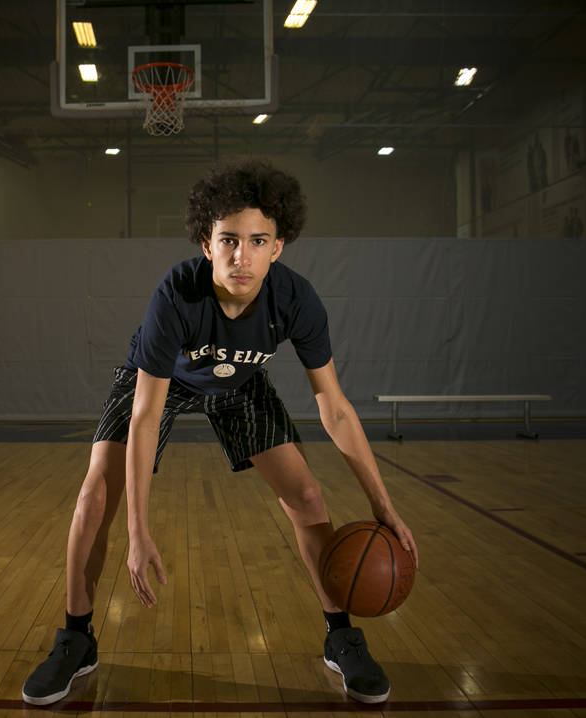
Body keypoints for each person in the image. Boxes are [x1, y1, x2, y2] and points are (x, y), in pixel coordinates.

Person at [21, 160, 419, 706]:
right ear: (206, 243)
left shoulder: (295, 300)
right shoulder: (177, 295)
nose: (242, 255)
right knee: (94, 497)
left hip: (241, 384)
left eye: (258, 241)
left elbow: (336, 408)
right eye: (229, 239)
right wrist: (138, 531)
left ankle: (342, 636)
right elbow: (144, 415)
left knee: (306, 495)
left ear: (278, 247)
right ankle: (75, 638)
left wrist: (384, 504)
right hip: (161, 382)